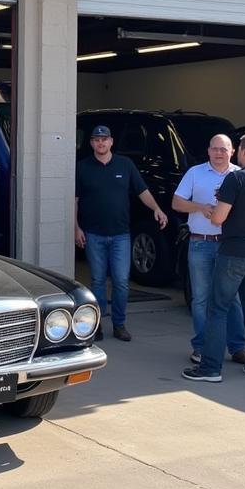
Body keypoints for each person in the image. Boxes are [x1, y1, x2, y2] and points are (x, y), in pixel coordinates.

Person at [182, 132, 245, 382]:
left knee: (218, 308)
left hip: (234, 252)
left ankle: (210, 368)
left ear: (242, 151)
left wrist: (218, 213)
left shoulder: (236, 178)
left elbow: (218, 218)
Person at [75, 125, 168, 342]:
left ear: (111, 142)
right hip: (93, 234)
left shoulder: (125, 165)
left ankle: (119, 324)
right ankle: (95, 326)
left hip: (121, 235)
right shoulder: (82, 167)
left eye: (104, 139)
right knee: (97, 280)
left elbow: (142, 190)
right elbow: (75, 200)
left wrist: (156, 208)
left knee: (121, 281)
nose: (101, 143)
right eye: (96, 140)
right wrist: (76, 228)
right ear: (91, 143)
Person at [171, 134, 245, 366]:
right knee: (201, 298)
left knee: (231, 297)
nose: (218, 153)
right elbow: (176, 203)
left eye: (223, 149)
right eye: (214, 149)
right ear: (208, 150)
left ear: (232, 151)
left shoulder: (239, 175)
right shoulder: (195, 173)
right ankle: (202, 347)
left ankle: (238, 347)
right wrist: (199, 207)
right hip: (200, 243)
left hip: (228, 244)